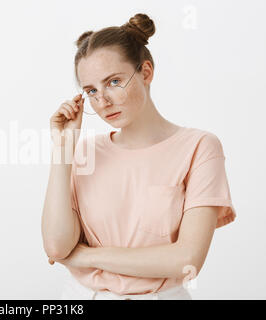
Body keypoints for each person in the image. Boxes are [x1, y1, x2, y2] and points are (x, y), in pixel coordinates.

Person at [41, 13, 237, 300]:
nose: (103, 101)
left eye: (114, 81)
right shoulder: (84, 151)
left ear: (146, 72)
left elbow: (187, 261)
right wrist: (63, 149)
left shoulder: (199, 147)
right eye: (91, 90)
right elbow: (57, 248)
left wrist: (86, 257)